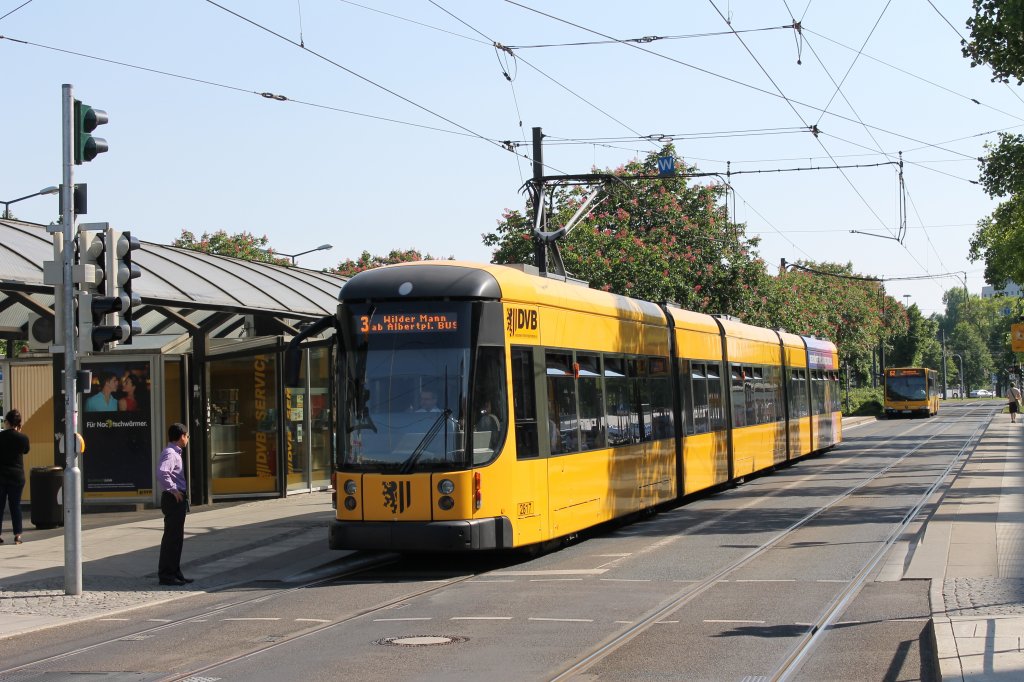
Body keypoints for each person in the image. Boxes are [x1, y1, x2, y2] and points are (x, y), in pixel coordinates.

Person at [156, 423, 192, 586]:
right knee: (172, 538)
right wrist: (174, 490)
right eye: (187, 435)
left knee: (177, 538)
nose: (188, 439)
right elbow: (162, 472)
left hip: (176, 499)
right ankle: (166, 575)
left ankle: (175, 571)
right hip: (173, 499)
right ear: (181, 436)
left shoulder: (175, 452)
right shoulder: (170, 453)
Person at [0, 409, 30, 545]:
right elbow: (26, 450)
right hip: (17, 476)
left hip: (1, 476)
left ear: (7, 422)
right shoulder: (23, 438)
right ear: (18, 423)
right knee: (15, 505)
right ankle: (17, 535)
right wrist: (18, 432)